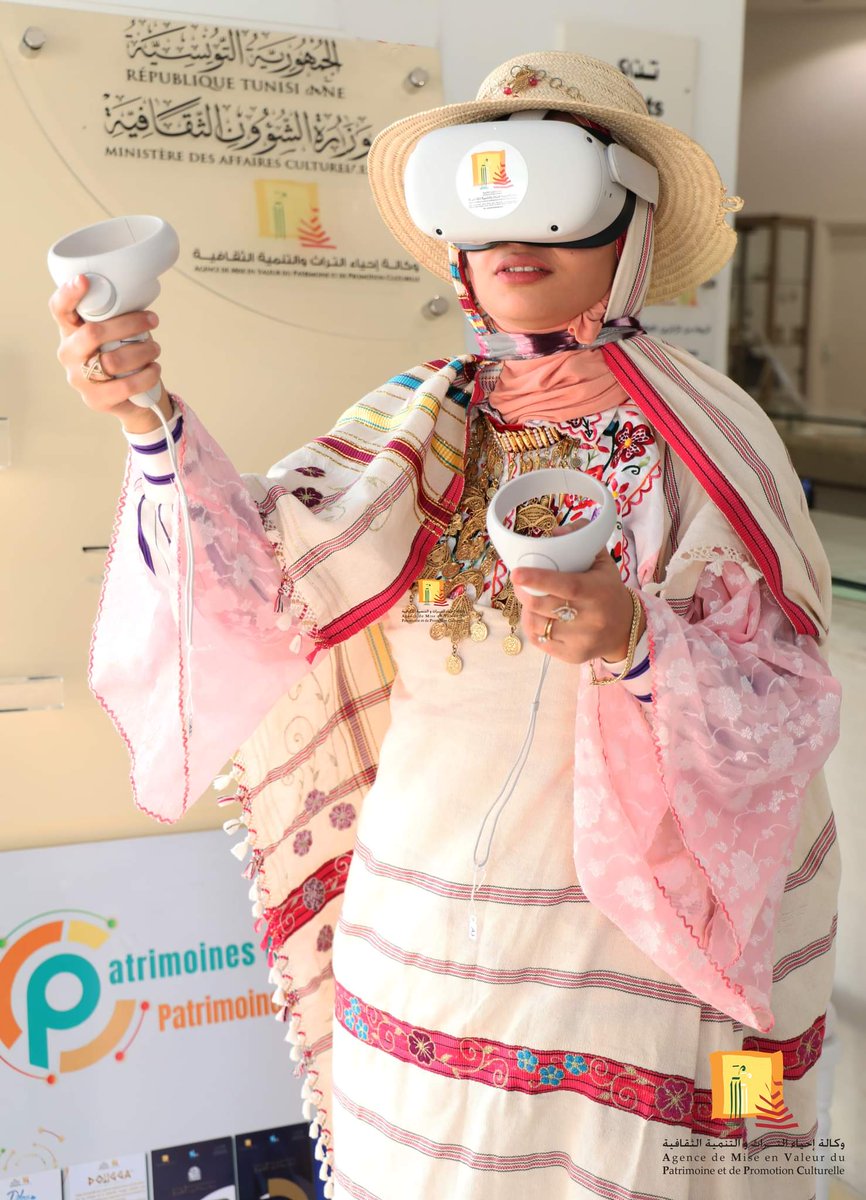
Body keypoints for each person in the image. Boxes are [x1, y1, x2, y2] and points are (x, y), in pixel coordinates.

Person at [49, 51, 841, 1200]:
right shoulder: (413, 421)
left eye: (553, 191)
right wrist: (148, 422)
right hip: (421, 932)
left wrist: (636, 642)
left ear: (627, 218)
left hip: (647, 941)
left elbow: (785, 708)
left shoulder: (713, 441)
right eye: (478, 198)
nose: (511, 235)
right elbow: (259, 584)